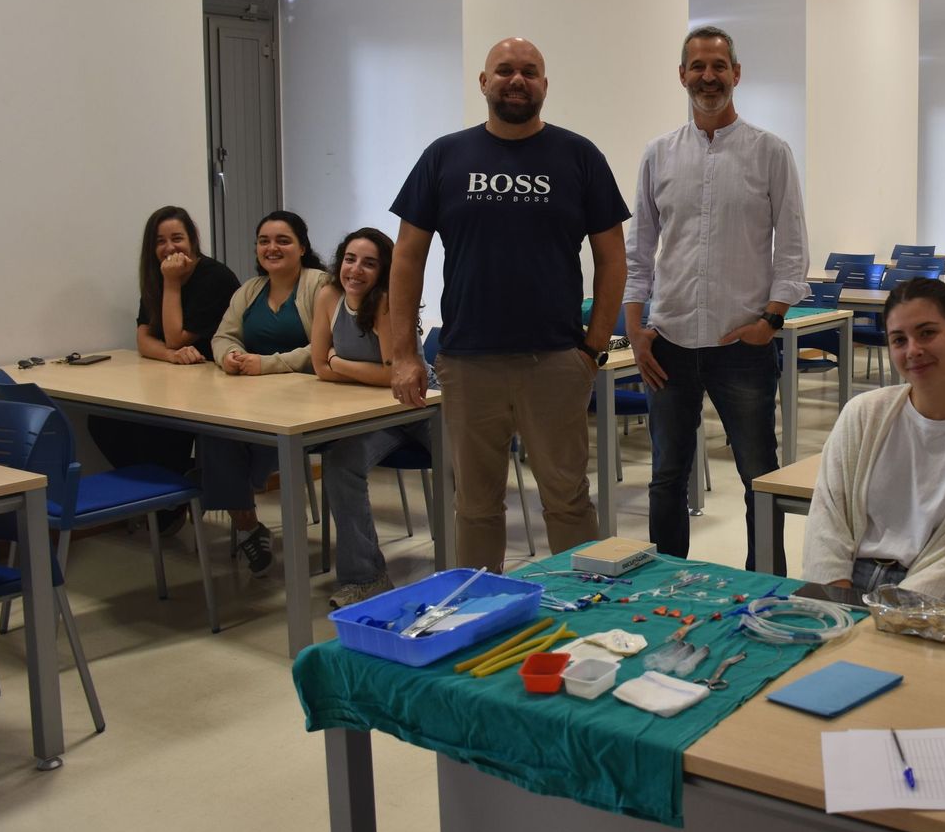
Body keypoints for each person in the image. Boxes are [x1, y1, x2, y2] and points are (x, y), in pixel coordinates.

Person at [389, 37, 629, 573]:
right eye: (504, 71)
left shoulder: (579, 155)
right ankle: (480, 613)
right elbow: (406, 257)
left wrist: (592, 348)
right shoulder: (445, 156)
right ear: (483, 82)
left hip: (556, 362)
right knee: (474, 507)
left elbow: (613, 258)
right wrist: (403, 354)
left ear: (545, 84)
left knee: (568, 500)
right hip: (469, 361)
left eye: (528, 71)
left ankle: (582, 612)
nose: (516, 80)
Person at [625, 26, 810, 573]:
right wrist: (636, 330)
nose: (709, 77)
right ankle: (668, 581)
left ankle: (765, 584)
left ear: (736, 74)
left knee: (759, 474)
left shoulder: (770, 152)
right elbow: (640, 250)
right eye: (698, 66)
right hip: (670, 343)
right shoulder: (658, 154)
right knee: (666, 476)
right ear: (682, 75)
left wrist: (771, 321)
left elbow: (793, 244)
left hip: (742, 343)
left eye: (719, 66)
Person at [803, 279, 945, 608]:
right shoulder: (863, 414)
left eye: (927, 333)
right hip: (846, 582)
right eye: (899, 340)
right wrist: (839, 602)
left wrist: (885, 617)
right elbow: (827, 518)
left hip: (932, 602)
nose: (913, 350)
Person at [87, 206, 241, 534]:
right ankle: (172, 491)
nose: (170, 248)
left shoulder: (215, 277)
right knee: (103, 420)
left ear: (193, 241)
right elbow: (145, 337)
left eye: (177, 239)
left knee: (164, 428)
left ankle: (171, 503)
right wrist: (170, 357)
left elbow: (174, 336)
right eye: (160, 241)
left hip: (216, 384)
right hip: (174, 379)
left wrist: (172, 285)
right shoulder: (156, 275)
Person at [199, 210, 329, 574]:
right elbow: (223, 335)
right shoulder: (249, 290)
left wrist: (265, 364)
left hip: (310, 401)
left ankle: (227, 483)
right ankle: (247, 525)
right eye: (264, 241)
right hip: (255, 397)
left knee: (241, 437)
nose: (272, 248)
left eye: (283, 240)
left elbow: (323, 347)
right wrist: (229, 357)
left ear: (302, 247)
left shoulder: (321, 286)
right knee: (213, 429)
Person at [312, 228, 431, 606]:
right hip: (371, 413)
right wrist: (337, 365)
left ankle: (470, 568)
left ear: (384, 271)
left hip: (418, 405)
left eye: (369, 263)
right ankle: (366, 577)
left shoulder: (384, 303)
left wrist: (338, 361)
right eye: (350, 259)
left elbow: (392, 375)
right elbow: (319, 366)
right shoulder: (328, 296)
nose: (356, 270)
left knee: (464, 465)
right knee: (341, 460)